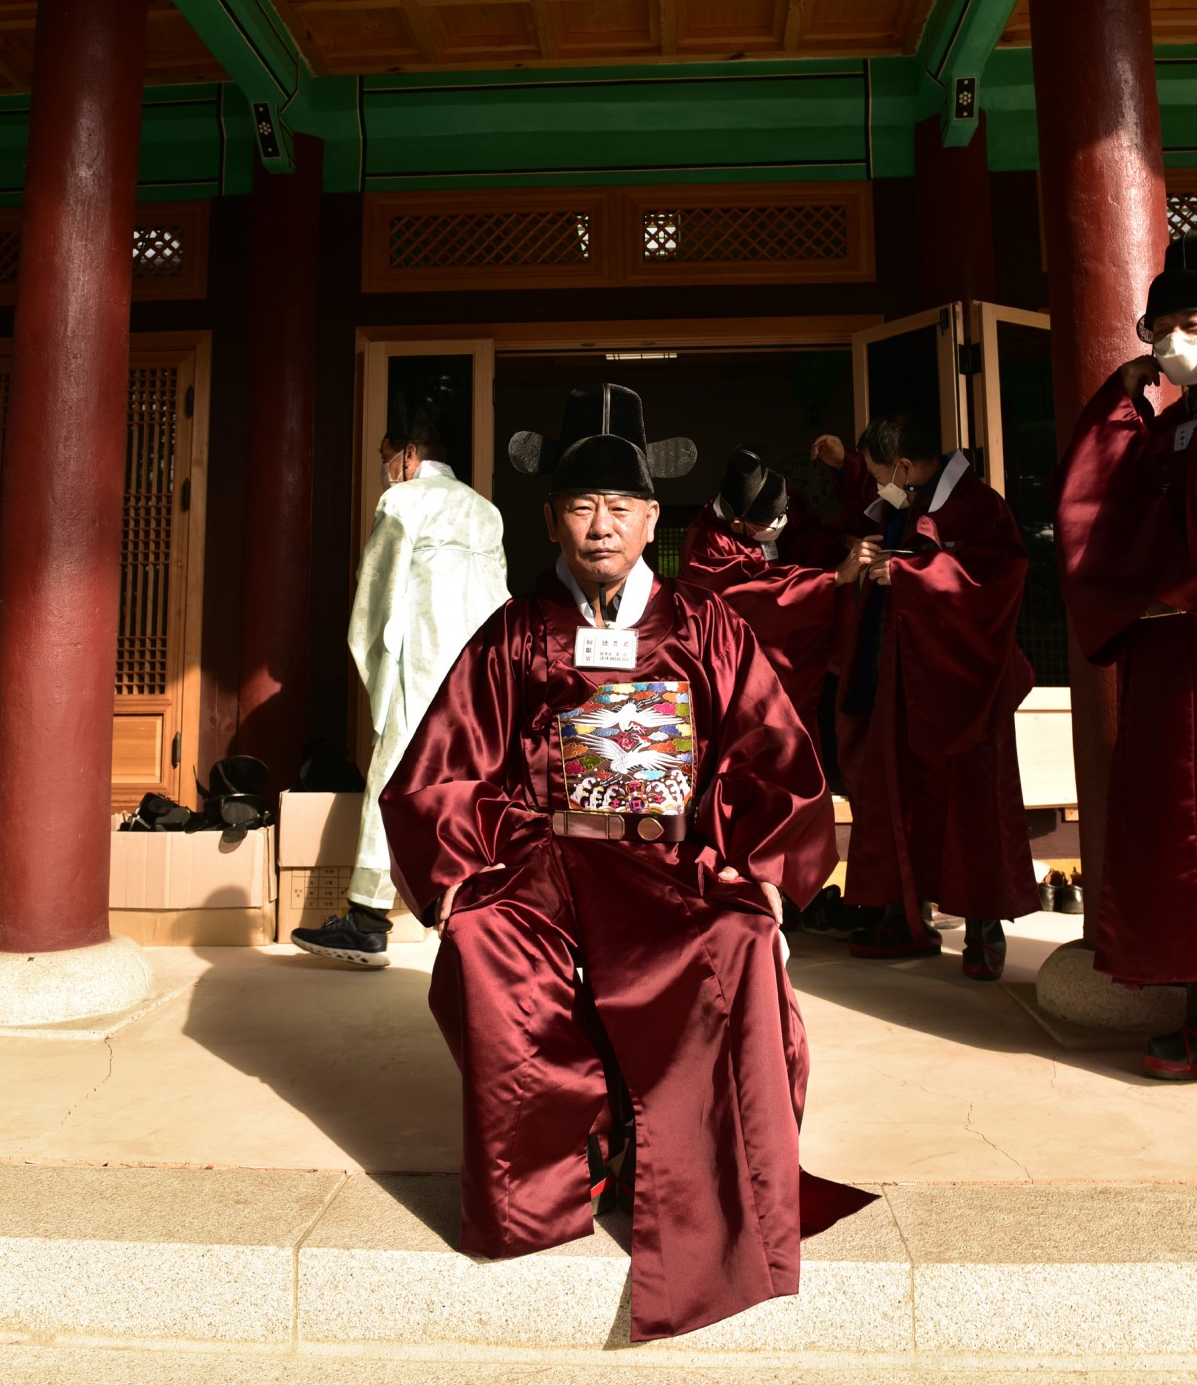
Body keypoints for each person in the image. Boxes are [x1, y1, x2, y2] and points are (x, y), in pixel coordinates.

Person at [380, 382, 866, 1343]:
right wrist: (457, 872)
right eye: (579, 506)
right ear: (550, 519)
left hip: (674, 854)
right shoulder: (517, 630)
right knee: (484, 941)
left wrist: (763, 867)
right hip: (542, 856)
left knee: (734, 937)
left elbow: (770, 748)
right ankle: (561, 1173)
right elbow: (447, 760)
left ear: (651, 519)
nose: (599, 526)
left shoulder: (705, 624)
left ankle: (693, 1171)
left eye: (618, 507)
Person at [815, 414, 1039, 980]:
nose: (877, 484)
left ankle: (984, 927)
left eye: (879, 472)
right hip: (895, 674)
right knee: (895, 793)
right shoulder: (902, 500)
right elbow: (862, 512)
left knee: (973, 798)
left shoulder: (980, 506)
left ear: (906, 466)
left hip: (961, 685)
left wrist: (913, 576)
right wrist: (846, 475)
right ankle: (905, 916)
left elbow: (998, 581)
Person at [1052, 231, 1197, 1079]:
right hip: (1168, 663)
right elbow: (1097, 501)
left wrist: (1169, 590)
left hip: (1181, 633)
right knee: (1175, 833)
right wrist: (1120, 402)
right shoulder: (1170, 427)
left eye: (1190, 324)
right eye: (1163, 329)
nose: (1174, 342)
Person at [292, 401, 508, 965]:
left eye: (387, 455)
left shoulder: (403, 502)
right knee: (472, 781)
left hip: (422, 659)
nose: (385, 468)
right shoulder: (487, 513)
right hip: (481, 668)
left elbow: (377, 593)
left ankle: (366, 919)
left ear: (409, 454)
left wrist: (378, 672)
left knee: (392, 780)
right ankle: (474, 910)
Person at [679, 445, 867, 744]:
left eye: (783, 514)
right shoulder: (706, 546)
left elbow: (809, 539)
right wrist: (831, 578)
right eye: (773, 521)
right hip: (747, 665)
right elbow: (750, 599)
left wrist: (841, 543)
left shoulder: (780, 505)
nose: (782, 522)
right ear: (739, 524)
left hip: (797, 658)